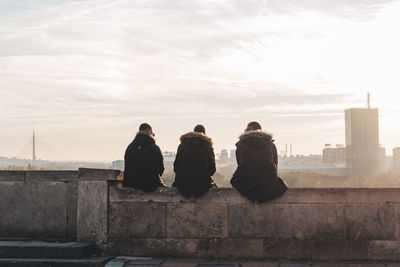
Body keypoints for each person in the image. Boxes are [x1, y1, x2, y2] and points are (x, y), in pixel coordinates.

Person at [230, 121, 287, 202]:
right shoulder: (271, 145)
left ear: (249, 130)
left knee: (234, 180)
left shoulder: (241, 145)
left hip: (247, 183)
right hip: (268, 183)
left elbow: (240, 164)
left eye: (246, 129)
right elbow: (275, 164)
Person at [173, 124, 216, 198]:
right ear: (204, 134)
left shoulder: (182, 146)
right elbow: (212, 170)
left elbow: (176, 167)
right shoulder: (207, 147)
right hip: (202, 185)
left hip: (182, 185)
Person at [123, 123, 165, 191]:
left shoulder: (130, 148)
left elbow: (127, 165)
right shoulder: (154, 148)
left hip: (131, 184)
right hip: (150, 186)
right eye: (153, 134)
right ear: (149, 132)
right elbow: (161, 168)